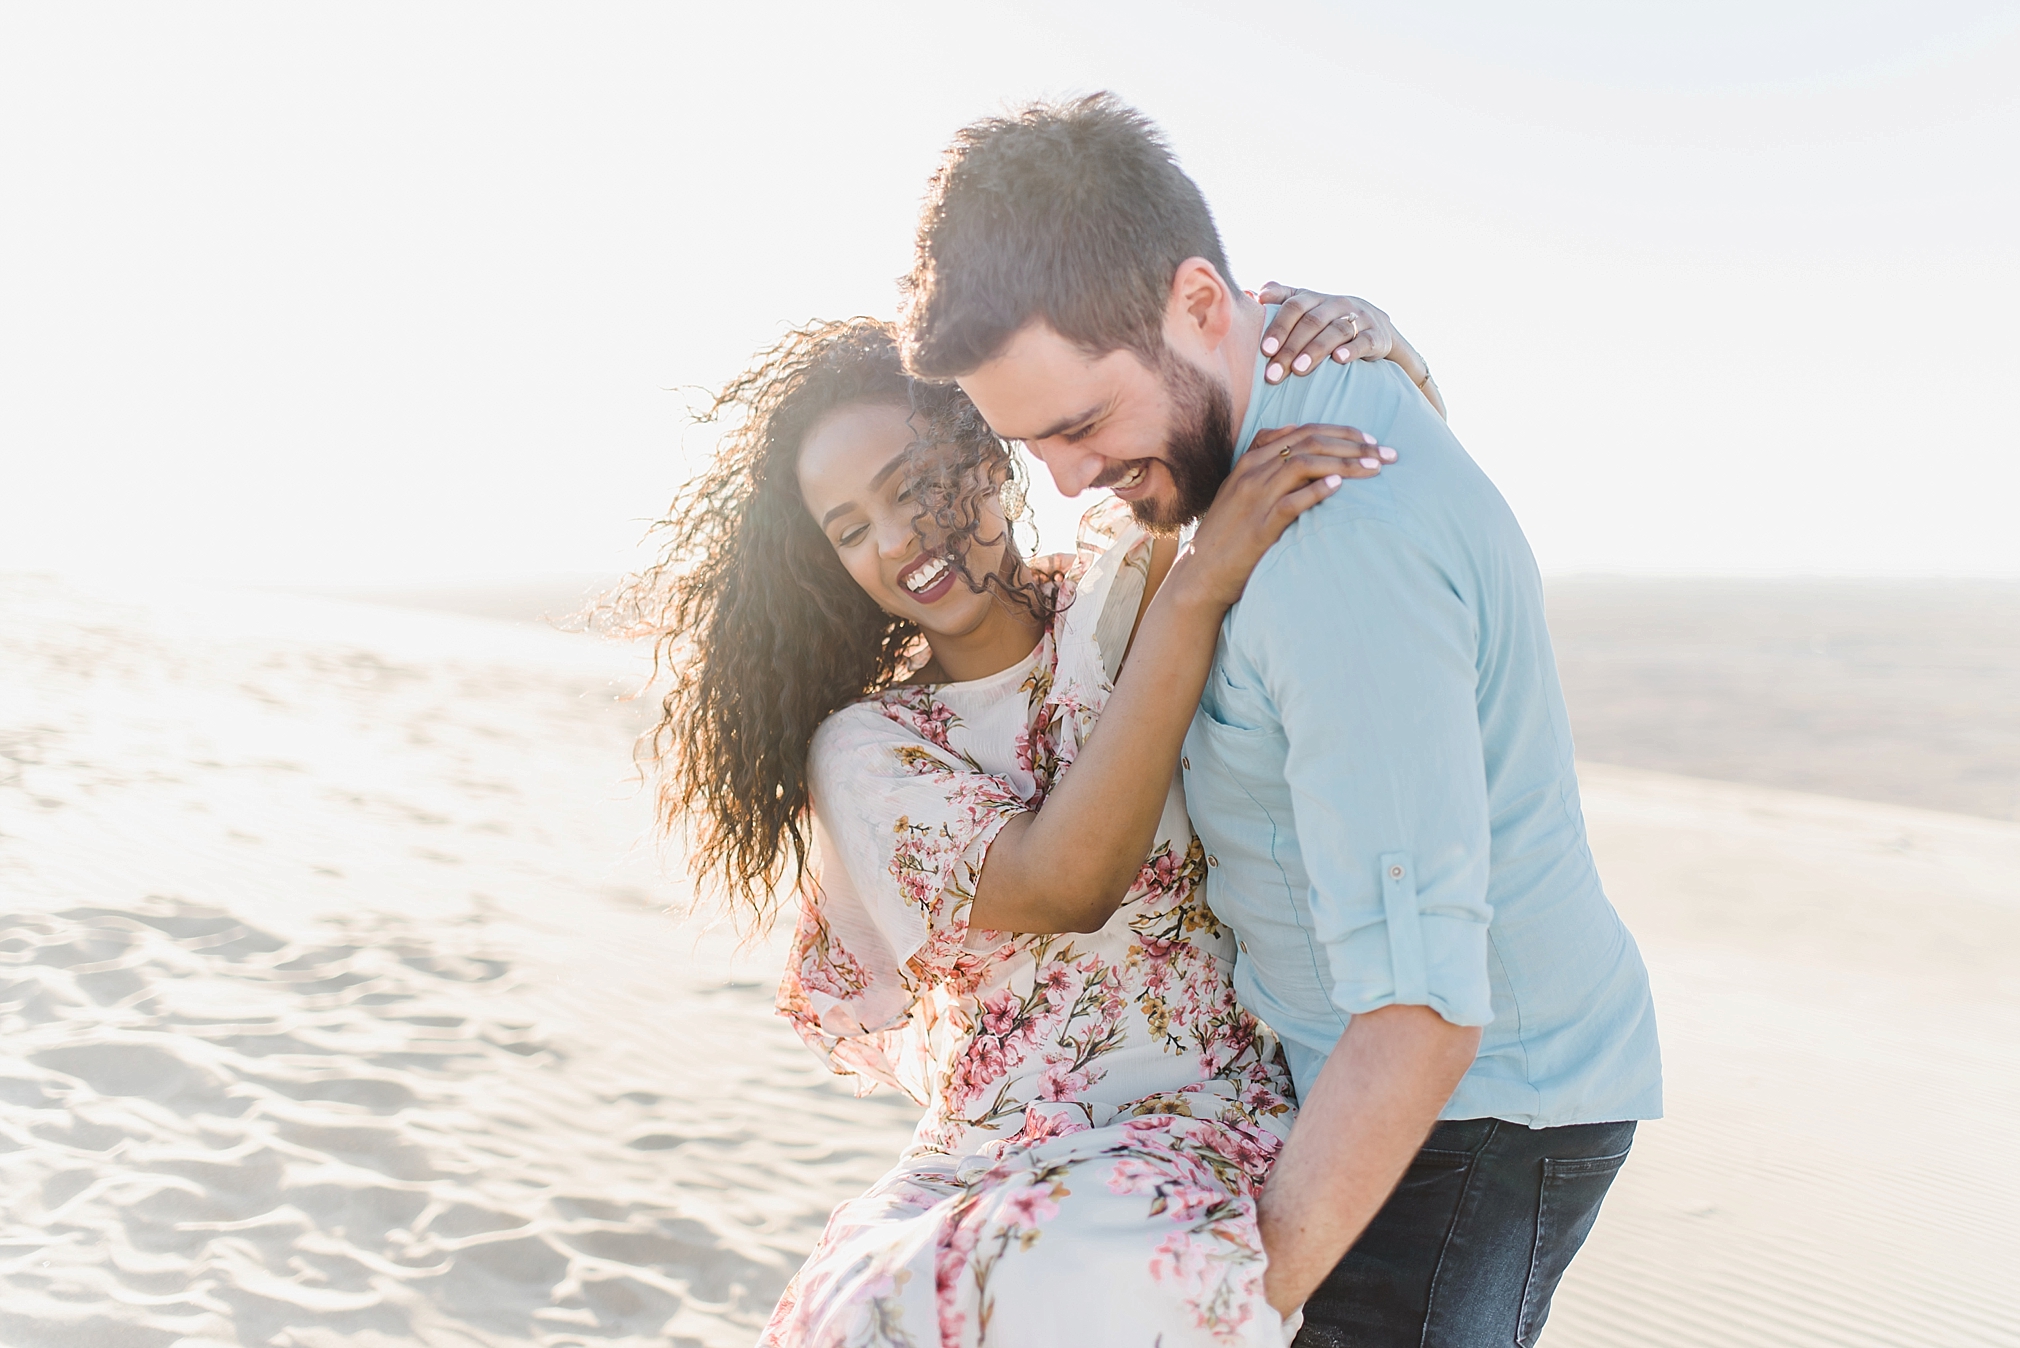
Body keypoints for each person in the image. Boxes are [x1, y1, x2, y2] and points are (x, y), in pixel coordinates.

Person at [897, 94, 1662, 1348]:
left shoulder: (1328, 553)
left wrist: (1234, 1301)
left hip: (1463, 1122)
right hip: (1393, 1094)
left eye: (1081, 425)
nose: (1071, 480)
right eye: (1030, 443)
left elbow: (1422, 1009)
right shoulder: (1295, 385)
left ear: (1202, 304)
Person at [620, 298, 1435, 1345]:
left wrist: (1373, 349)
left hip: (1190, 1118)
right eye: (851, 528)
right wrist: (1193, 599)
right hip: (982, 1150)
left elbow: (1338, 474)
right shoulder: (869, 747)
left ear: (990, 455)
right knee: (864, 1306)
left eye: (911, 486)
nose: (896, 539)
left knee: (1070, 1272)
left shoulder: (1125, 581)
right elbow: (1066, 880)